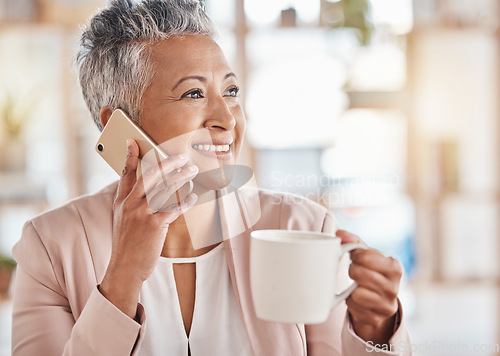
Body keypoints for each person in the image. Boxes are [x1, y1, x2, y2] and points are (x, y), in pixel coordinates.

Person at [11, 0, 411, 355]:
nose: (227, 119)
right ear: (119, 124)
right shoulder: (51, 247)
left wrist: (375, 332)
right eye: (193, 94)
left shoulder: (301, 228)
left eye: (231, 90)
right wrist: (123, 276)